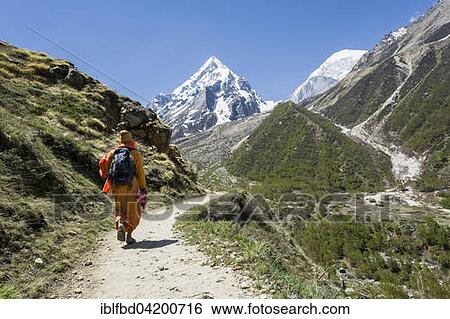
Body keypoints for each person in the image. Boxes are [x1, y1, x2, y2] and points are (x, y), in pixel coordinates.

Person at [99, 130, 148, 244]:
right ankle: (129, 236)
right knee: (132, 209)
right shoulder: (135, 153)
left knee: (120, 208)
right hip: (132, 185)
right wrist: (143, 187)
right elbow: (140, 173)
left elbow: (105, 169)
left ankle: (120, 224)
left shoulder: (113, 153)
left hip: (117, 185)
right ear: (131, 140)